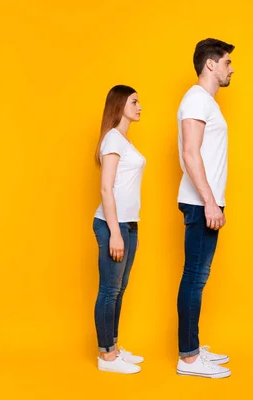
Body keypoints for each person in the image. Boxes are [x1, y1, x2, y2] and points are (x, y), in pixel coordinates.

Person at [175, 38, 235, 379]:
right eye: (227, 62)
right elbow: (190, 152)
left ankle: (193, 347)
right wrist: (210, 202)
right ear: (210, 64)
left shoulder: (205, 102)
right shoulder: (197, 99)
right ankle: (189, 357)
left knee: (198, 277)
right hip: (201, 203)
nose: (231, 69)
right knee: (194, 279)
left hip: (205, 201)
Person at [93, 85, 146, 374]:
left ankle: (113, 346)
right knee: (109, 290)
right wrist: (114, 231)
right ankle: (106, 357)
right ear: (119, 105)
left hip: (128, 224)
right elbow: (105, 187)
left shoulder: (124, 140)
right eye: (134, 101)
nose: (140, 106)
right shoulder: (113, 139)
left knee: (119, 289)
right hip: (113, 225)